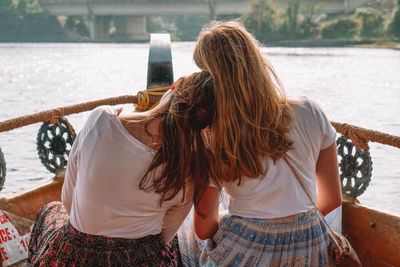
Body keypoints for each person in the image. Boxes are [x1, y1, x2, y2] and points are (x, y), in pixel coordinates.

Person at [184, 21, 342, 266]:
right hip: (310, 246)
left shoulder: (213, 133)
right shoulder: (310, 111)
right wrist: (290, 231)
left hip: (247, 250)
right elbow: (332, 200)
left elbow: (204, 229)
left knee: (186, 234)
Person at [27, 71, 216, 266]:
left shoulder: (100, 120)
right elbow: (165, 235)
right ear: (207, 124)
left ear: (177, 83)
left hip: (75, 256)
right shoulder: (194, 166)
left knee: (50, 210)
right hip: (140, 260)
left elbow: (68, 201)